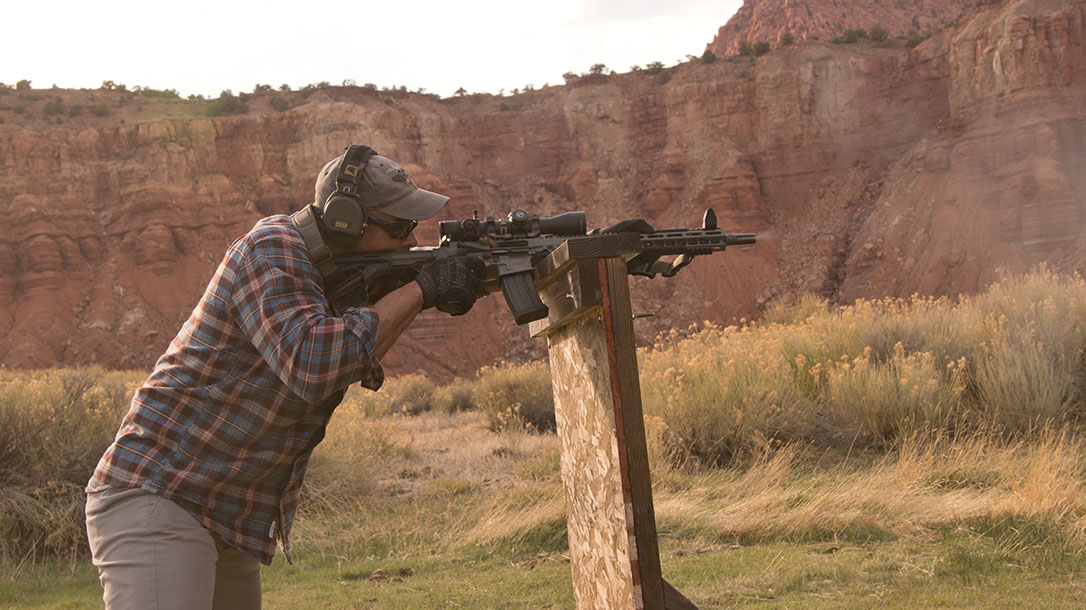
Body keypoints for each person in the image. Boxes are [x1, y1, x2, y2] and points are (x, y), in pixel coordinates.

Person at [84, 145, 484, 610]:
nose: (409, 240)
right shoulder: (271, 248)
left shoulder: (325, 273)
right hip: (160, 493)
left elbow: (353, 351)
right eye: (398, 227)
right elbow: (314, 365)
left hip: (224, 512)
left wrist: (431, 288)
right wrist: (421, 289)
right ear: (345, 221)